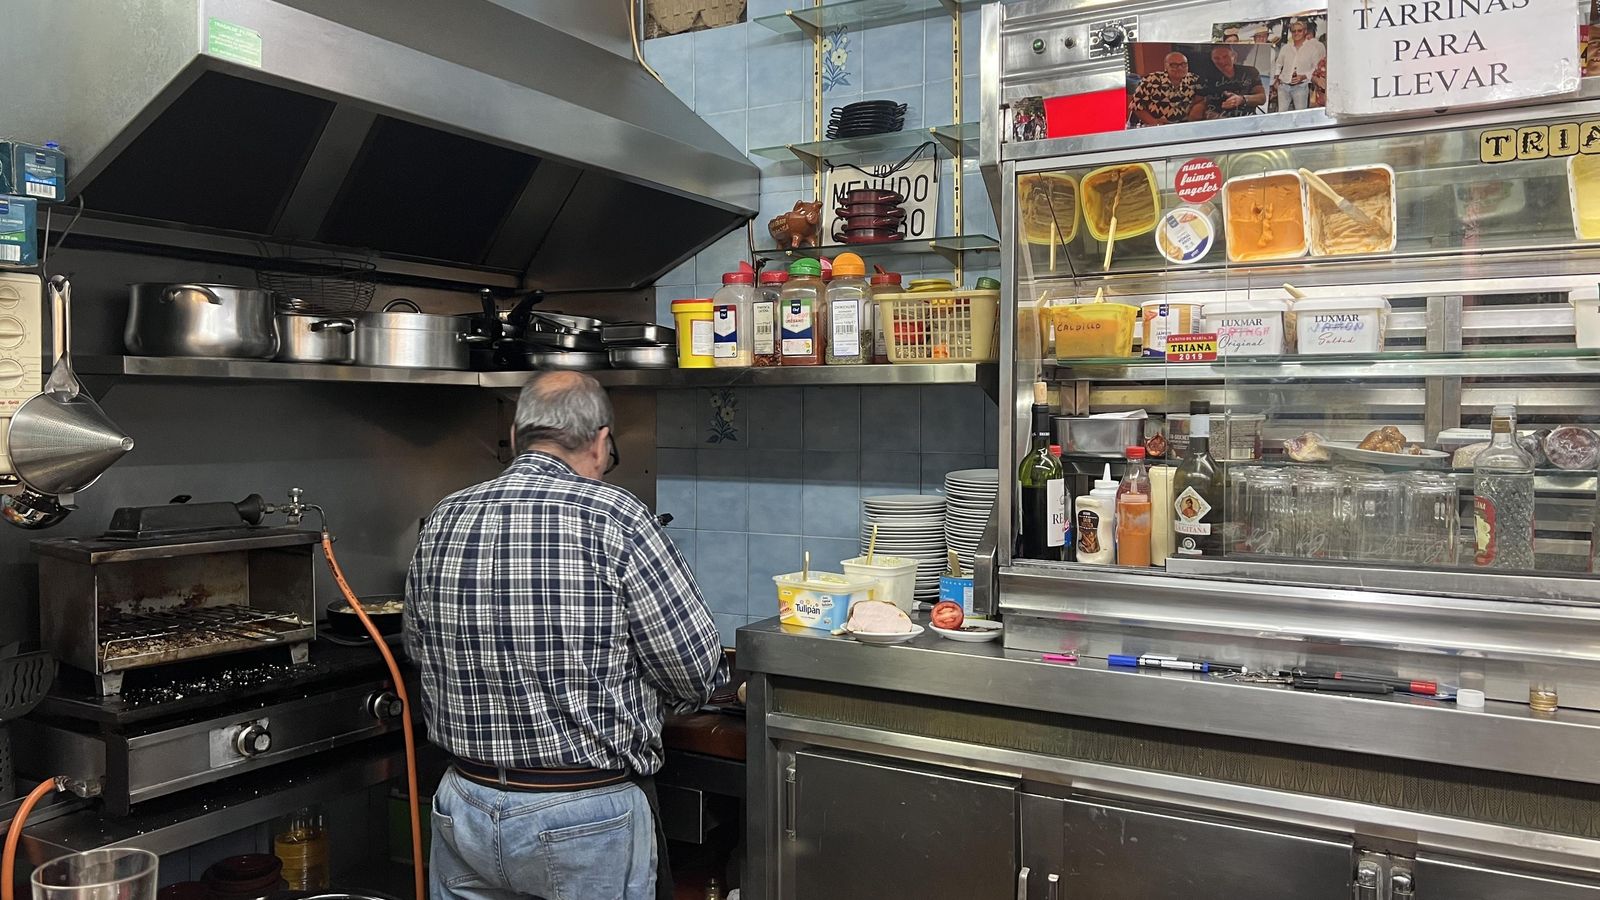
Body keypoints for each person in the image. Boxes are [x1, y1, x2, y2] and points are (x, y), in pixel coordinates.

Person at [405, 370, 728, 900]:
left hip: (462, 803)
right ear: (602, 442)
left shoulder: (445, 516)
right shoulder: (618, 518)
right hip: (583, 816)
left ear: (515, 436)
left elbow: (420, 648)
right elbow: (692, 671)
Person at [1129, 52, 1206, 127]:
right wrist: (1156, 125)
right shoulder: (1151, 80)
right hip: (1156, 126)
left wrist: (1199, 107)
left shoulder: (1194, 80)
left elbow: (1201, 100)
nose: (1180, 68)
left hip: (1184, 127)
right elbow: (1136, 107)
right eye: (1174, 65)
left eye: (1183, 64)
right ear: (1166, 66)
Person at [1274, 18, 1326, 112]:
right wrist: (1277, 79)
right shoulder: (1286, 48)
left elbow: (1315, 69)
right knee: (1281, 116)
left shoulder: (1312, 49)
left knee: (1300, 116)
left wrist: (1304, 76)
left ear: (1305, 31)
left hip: (1301, 87)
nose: (1296, 33)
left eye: (1299, 30)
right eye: (1293, 31)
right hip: (1284, 86)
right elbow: (1278, 64)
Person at [1205, 45, 1265, 118]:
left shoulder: (1250, 72)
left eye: (1225, 56)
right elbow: (1201, 107)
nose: (1222, 61)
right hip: (1219, 122)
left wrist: (1242, 99)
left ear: (1234, 56)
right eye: (1216, 58)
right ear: (1212, 59)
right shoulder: (1206, 77)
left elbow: (1262, 98)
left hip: (1248, 120)